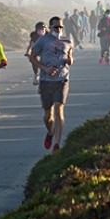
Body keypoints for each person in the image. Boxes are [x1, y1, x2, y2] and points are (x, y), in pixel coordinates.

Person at [29, 16, 73, 151]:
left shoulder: (68, 41)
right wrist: (45, 68)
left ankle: (57, 144)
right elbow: (32, 57)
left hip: (62, 79)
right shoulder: (43, 41)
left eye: (60, 27)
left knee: (59, 109)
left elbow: (71, 58)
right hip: (46, 81)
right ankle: (50, 132)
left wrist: (69, 59)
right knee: (48, 115)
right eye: (56, 27)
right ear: (50, 27)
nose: (58, 30)